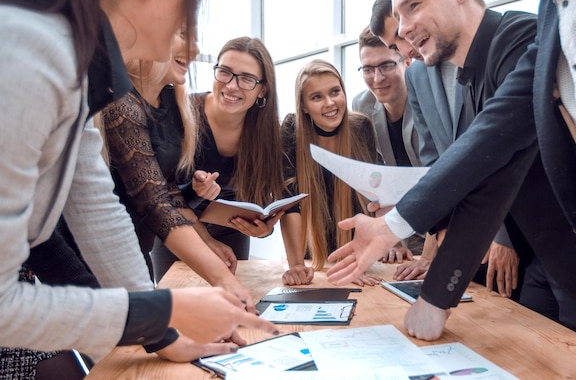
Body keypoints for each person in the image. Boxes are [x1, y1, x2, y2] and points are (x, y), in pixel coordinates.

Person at [0, 0, 277, 370]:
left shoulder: (73, 65)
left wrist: (159, 332)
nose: (191, 41)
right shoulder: (31, 53)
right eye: (190, 5)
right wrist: (159, 312)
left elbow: (98, 211)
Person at [328, 0, 576, 343]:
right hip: (553, 258)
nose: (403, 29)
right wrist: (434, 292)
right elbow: (491, 175)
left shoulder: (521, 33)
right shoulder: (551, 7)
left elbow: (493, 157)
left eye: (413, 7)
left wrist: (395, 227)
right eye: (398, 16)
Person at [369, 0, 522, 299]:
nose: (404, 47)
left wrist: (502, 236)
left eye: (400, 36)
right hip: (468, 240)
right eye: (395, 43)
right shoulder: (417, 77)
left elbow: (500, 152)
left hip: (518, 223)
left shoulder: (493, 49)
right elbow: (435, 164)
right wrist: (441, 240)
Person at [99, 28, 259, 312]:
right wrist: (225, 281)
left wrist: (207, 241)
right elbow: (156, 203)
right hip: (101, 259)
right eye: (184, 34)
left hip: (136, 253)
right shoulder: (121, 101)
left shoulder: (171, 103)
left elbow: (169, 192)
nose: (195, 49)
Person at [156, 36, 285, 269]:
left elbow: (263, 202)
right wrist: (195, 194)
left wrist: (264, 230)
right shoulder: (182, 112)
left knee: (233, 303)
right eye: (224, 72)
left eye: (246, 79)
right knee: (178, 302)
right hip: (178, 229)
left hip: (231, 234)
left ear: (262, 89)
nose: (232, 85)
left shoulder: (268, 134)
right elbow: (160, 193)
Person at [280, 59, 380, 287]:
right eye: (316, 97)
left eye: (335, 92)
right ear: (303, 105)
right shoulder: (290, 130)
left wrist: (358, 263)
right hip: (310, 257)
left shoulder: (361, 127)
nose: (330, 103)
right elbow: (289, 203)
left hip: (355, 251)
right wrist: (296, 265)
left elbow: (366, 201)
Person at [352, 25, 423, 260]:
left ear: (406, 61)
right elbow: (375, 184)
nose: (377, 78)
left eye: (386, 65)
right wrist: (389, 240)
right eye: (368, 69)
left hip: (445, 226)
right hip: (401, 231)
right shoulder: (362, 107)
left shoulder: (429, 99)